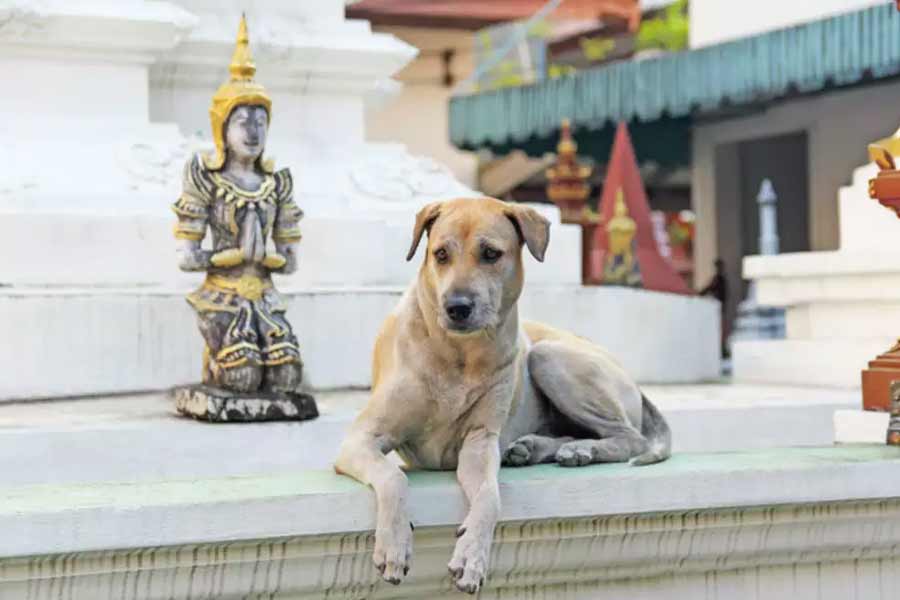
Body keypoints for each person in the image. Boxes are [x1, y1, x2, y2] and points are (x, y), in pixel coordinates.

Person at [699, 259, 729, 358]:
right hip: (719, 309)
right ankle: (722, 350)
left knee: (719, 330)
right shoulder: (720, 279)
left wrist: (698, 294)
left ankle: (722, 350)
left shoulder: (719, 279)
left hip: (718, 309)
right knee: (719, 330)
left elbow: (709, 288)